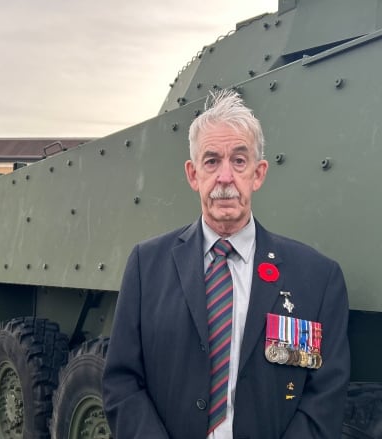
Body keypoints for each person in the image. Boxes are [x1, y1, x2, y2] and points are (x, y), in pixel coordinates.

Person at [102, 90, 350, 439]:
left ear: (258, 173)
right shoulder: (147, 266)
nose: (225, 177)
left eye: (239, 160)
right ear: (193, 174)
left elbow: (325, 394)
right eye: (211, 161)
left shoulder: (317, 278)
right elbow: (121, 381)